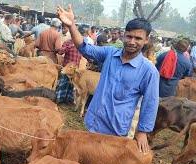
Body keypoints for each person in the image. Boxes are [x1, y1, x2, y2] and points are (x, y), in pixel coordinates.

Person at [57, 4, 159, 154]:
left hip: (115, 130)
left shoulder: (149, 71)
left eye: (138, 38)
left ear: (146, 40)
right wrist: (72, 26)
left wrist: (143, 131)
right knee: (87, 160)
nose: (132, 41)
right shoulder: (110, 54)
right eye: (129, 36)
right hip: (94, 121)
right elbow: (85, 48)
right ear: (124, 35)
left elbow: (150, 103)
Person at [56, 35, 82, 104]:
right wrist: (69, 47)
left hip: (75, 70)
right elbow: (60, 52)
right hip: (66, 68)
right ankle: (59, 99)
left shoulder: (81, 44)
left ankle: (69, 100)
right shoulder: (68, 43)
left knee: (72, 85)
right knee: (63, 83)